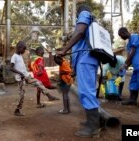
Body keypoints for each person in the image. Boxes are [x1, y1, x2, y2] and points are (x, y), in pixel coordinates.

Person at [57, 4, 101, 138]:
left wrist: (64, 49)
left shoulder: (84, 14)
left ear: (79, 12)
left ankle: (94, 127)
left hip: (86, 59)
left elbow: (80, 32)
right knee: (87, 91)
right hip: (87, 60)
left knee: (86, 92)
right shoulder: (93, 21)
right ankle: (91, 122)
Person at [10, 41, 59, 116]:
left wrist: (25, 72)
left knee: (38, 83)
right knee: (22, 95)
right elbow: (11, 68)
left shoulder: (20, 55)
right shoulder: (14, 56)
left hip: (26, 76)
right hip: (21, 79)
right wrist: (20, 73)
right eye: (24, 49)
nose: (24, 51)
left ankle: (49, 96)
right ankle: (17, 110)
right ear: (19, 48)